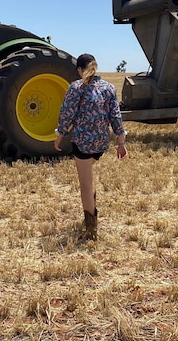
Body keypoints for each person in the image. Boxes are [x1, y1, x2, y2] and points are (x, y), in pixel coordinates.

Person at [53, 53, 127, 241]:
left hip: (83, 144)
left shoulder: (76, 88)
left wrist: (59, 136)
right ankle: (92, 212)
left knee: (85, 184)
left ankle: (91, 229)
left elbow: (66, 115)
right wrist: (121, 143)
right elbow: (116, 117)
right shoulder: (109, 88)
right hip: (101, 144)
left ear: (79, 69)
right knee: (89, 178)